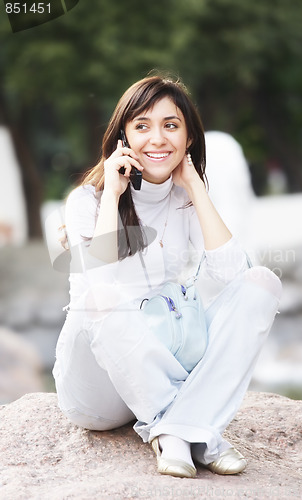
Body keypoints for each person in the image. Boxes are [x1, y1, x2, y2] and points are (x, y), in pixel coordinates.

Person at [53, 75, 282, 479]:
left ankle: (178, 429)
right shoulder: (88, 200)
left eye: (170, 125)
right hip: (98, 389)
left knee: (262, 283)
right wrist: (112, 194)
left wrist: (194, 184)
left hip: (165, 364)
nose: (157, 138)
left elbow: (232, 275)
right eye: (142, 126)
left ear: (189, 137)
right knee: (101, 296)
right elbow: (99, 289)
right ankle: (195, 430)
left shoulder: (185, 198)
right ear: (123, 137)